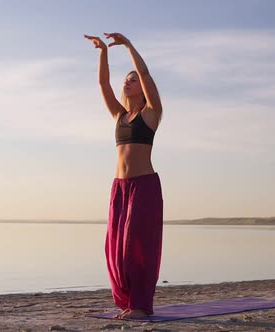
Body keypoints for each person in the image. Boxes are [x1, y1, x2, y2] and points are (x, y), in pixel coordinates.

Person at [84, 32, 163, 319]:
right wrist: (103, 52)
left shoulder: (152, 114)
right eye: (126, 80)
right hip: (119, 188)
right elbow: (103, 84)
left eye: (132, 80)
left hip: (144, 187)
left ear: (142, 89)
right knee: (115, 250)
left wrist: (128, 46)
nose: (127, 82)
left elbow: (144, 72)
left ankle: (142, 306)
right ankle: (130, 302)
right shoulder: (119, 116)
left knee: (136, 247)